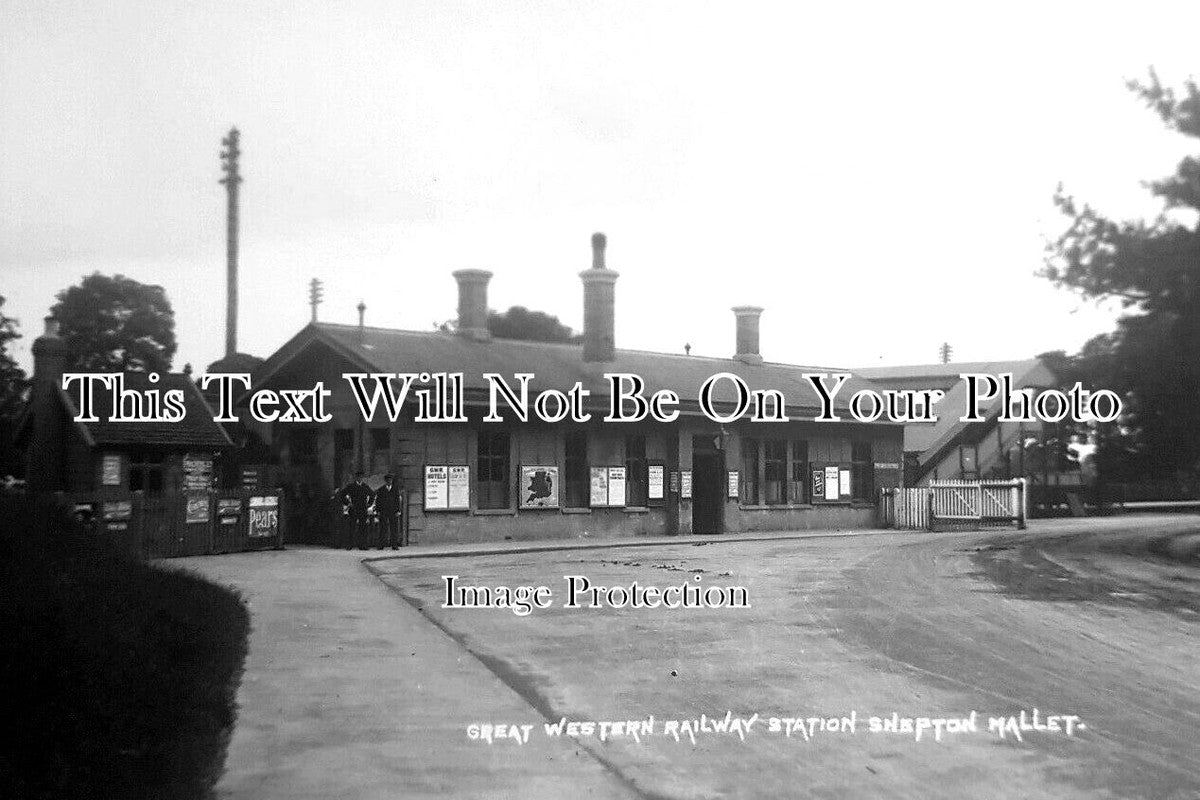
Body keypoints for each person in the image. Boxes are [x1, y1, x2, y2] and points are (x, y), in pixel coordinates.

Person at [337, 471, 374, 550]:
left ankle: (363, 545)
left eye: (361, 477)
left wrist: (369, 504)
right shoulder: (351, 486)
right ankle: (349, 545)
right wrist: (347, 503)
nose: (360, 478)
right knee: (352, 527)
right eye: (359, 477)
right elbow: (342, 494)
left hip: (363, 509)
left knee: (363, 528)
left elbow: (372, 495)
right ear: (356, 478)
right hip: (354, 508)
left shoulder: (365, 486)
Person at [375, 474, 402, 549]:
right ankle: (381, 544)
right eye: (388, 480)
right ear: (385, 481)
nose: (389, 482)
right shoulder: (381, 489)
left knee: (394, 528)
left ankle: (394, 544)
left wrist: (398, 510)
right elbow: (378, 501)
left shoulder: (395, 489)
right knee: (383, 528)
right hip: (383, 511)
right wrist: (378, 510)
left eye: (390, 480)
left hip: (393, 511)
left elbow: (397, 500)